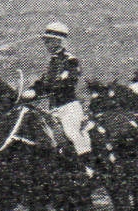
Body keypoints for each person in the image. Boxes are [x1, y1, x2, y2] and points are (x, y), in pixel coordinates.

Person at [20, 20, 89, 159]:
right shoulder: (53, 63)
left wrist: (42, 90)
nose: (46, 44)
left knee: (71, 133)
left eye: (49, 41)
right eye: (46, 41)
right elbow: (42, 82)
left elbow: (68, 83)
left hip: (69, 108)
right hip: (54, 109)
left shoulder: (70, 60)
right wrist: (31, 91)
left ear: (59, 41)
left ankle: (88, 164)